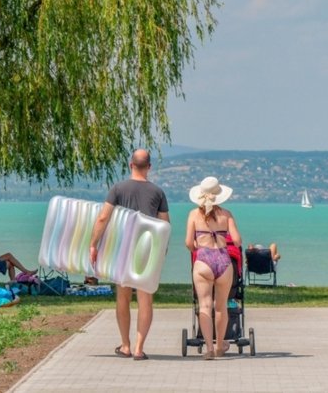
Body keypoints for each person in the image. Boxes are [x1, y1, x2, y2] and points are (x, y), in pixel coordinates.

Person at [89, 149, 169, 361]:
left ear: (130, 164)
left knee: (122, 298)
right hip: (147, 251)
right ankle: (139, 349)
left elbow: (102, 218)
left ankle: (125, 345)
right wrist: (162, 253)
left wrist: (93, 244)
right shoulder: (158, 192)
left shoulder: (118, 188)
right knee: (145, 300)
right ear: (149, 167)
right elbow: (164, 226)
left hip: (121, 250)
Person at [185, 176, 241, 360]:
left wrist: (196, 243)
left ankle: (208, 348)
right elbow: (238, 241)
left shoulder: (193, 214)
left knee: (204, 305)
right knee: (220, 307)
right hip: (223, 260)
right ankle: (219, 345)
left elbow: (188, 243)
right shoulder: (227, 214)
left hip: (203, 260)